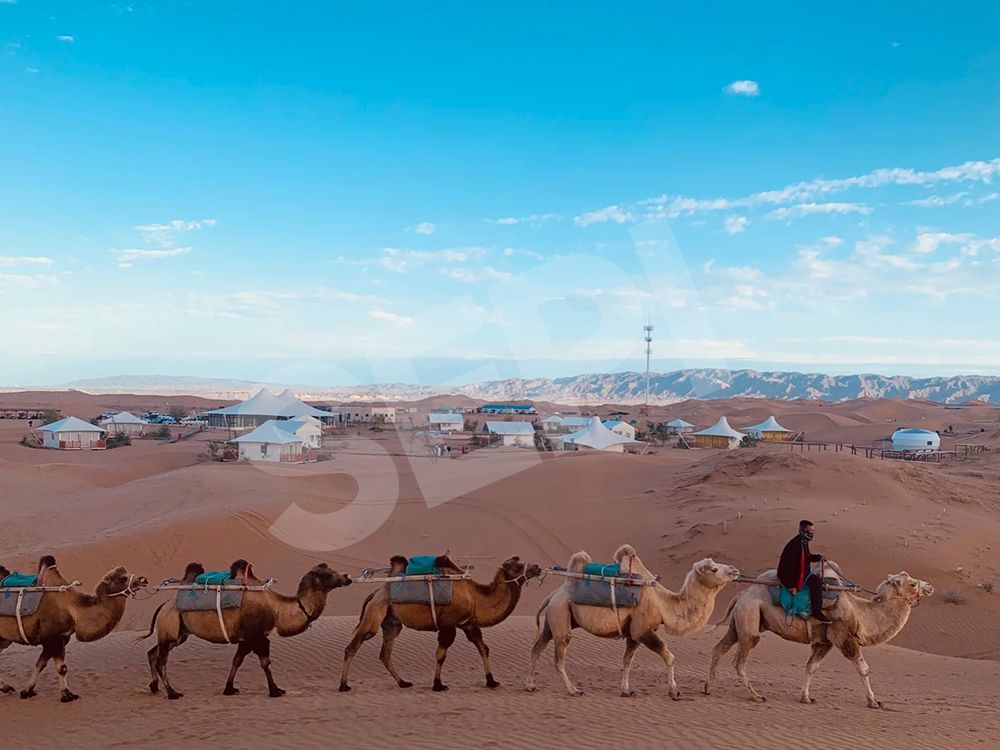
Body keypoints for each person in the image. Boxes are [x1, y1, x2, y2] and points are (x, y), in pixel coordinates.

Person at [777, 520, 831, 624]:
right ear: (804, 530)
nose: (812, 534)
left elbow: (806, 557)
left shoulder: (803, 542)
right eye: (810, 531)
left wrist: (818, 557)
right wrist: (790, 585)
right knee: (816, 582)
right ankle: (817, 612)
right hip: (793, 575)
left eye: (813, 531)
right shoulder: (794, 545)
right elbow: (784, 568)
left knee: (815, 578)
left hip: (800, 572)